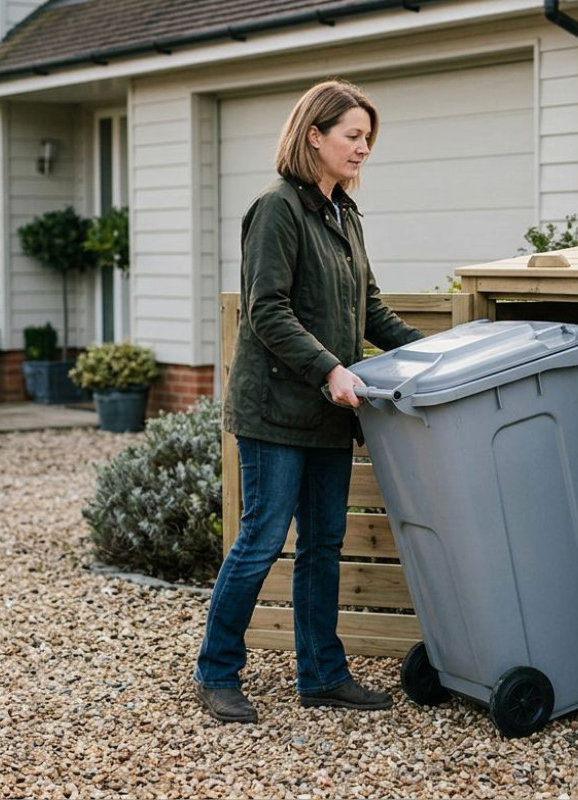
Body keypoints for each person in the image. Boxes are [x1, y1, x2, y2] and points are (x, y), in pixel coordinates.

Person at [194, 79, 424, 724]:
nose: (363, 149)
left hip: (328, 411)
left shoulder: (344, 214)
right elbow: (267, 310)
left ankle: (322, 674)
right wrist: (329, 368)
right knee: (261, 541)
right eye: (353, 136)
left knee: (324, 543)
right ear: (314, 136)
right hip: (275, 411)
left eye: (368, 138)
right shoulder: (277, 209)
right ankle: (216, 672)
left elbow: (368, 309)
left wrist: (436, 353)